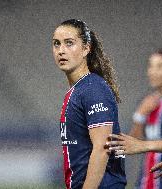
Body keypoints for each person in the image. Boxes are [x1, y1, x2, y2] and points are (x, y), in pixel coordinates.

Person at [52, 19, 126, 189]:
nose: (61, 50)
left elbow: (102, 147)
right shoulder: (79, 90)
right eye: (56, 44)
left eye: (69, 43)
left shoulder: (93, 89)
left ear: (86, 48)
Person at [107, 48, 162, 189]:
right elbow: (134, 141)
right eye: (150, 66)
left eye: (159, 66)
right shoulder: (148, 102)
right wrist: (140, 115)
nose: (152, 71)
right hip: (146, 181)